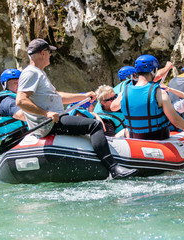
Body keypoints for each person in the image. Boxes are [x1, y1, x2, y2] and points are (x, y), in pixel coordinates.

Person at [15, 38, 137, 179]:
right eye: (49, 52)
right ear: (43, 53)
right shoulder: (31, 73)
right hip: (50, 123)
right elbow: (21, 100)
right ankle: (113, 168)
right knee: (95, 125)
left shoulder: (39, 73)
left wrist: (82, 96)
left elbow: (58, 96)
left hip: (53, 120)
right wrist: (46, 113)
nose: (50, 55)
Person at [111, 54, 184, 140]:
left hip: (135, 137)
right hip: (158, 136)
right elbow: (174, 119)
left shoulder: (124, 92)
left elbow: (113, 107)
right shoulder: (159, 92)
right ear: (153, 70)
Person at [0, 69, 27, 140]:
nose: (18, 85)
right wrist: (45, 114)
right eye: (15, 83)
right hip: (15, 141)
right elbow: (21, 115)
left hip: (26, 136)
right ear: (5, 85)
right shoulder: (6, 101)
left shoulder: (21, 98)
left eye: (20, 82)